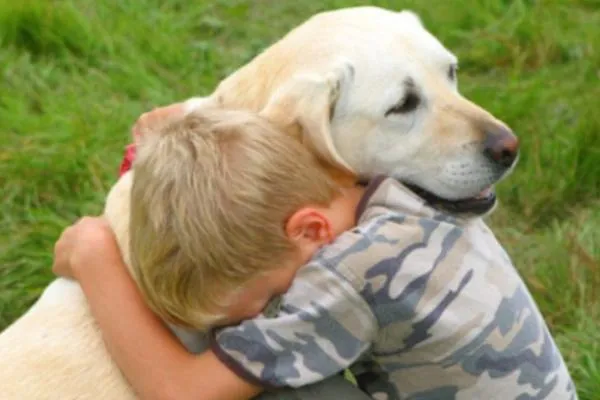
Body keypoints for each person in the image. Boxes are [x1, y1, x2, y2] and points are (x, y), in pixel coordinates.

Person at [53, 106, 577, 400]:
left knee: (279, 392)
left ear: (310, 229)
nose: (268, 314)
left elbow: (179, 393)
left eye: (270, 299)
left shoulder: (349, 278)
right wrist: (189, 125)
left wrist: (94, 255)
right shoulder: (392, 183)